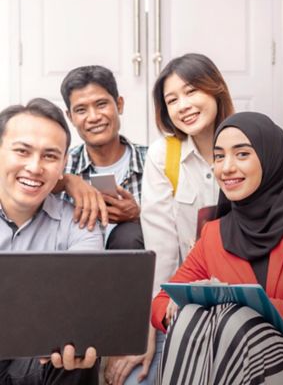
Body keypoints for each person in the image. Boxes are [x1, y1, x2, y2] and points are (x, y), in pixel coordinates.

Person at [120, 53, 233, 385]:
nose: (183, 105)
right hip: (183, 306)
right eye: (172, 99)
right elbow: (162, 249)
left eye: (192, 91)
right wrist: (151, 329)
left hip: (244, 305)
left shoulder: (253, 143)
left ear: (215, 90)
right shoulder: (163, 155)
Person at [152, 111, 283, 384]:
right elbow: (161, 303)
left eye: (242, 154)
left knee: (231, 319)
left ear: (272, 158)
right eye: (219, 156)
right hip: (228, 366)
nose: (226, 168)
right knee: (190, 312)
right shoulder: (214, 234)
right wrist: (176, 308)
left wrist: (238, 306)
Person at [0, 98, 103, 384]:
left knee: (78, 353)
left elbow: (83, 303)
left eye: (49, 156)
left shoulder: (79, 222)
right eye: (22, 151)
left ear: (63, 166)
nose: (34, 167)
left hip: (43, 357)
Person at [60, 65, 148, 250]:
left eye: (101, 104)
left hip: (140, 274)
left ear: (119, 105)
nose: (93, 117)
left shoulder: (153, 161)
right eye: (81, 110)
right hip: (78, 272)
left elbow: (181, 227)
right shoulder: (63, 167)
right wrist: (67, 181)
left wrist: (139, 215)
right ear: (70, 117)